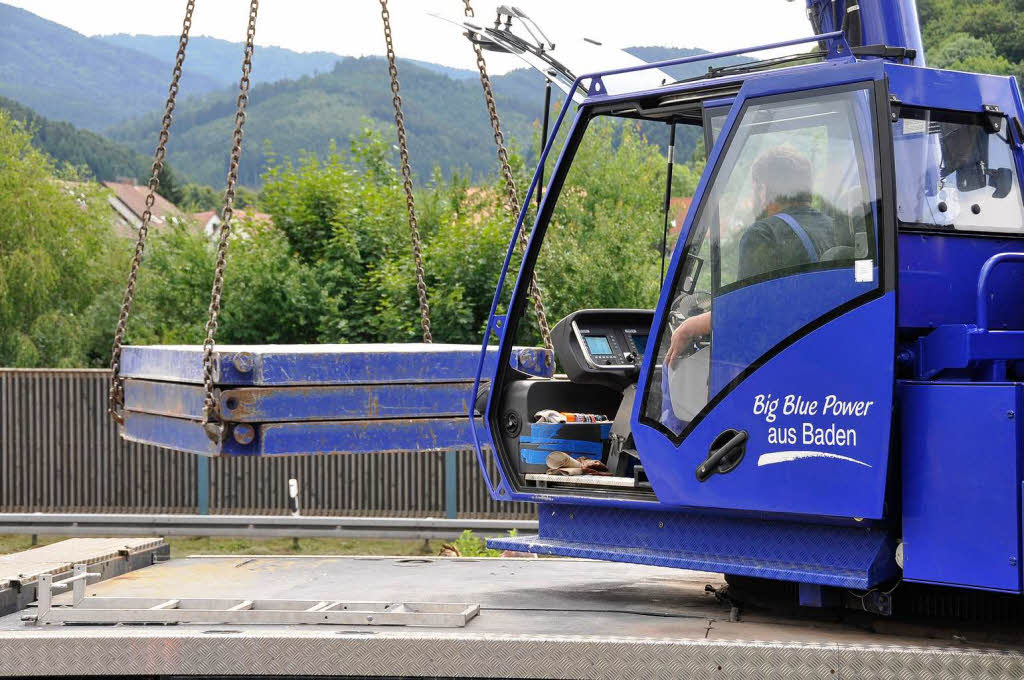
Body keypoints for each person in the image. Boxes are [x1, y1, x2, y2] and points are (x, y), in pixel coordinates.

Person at [665, 146, 836, 367]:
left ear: (763, 189)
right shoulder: (833, 228)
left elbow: (744, 311)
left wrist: (691, 326)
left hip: (780, 366)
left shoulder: (763, 234)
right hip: (823, 357)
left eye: (753, 188)